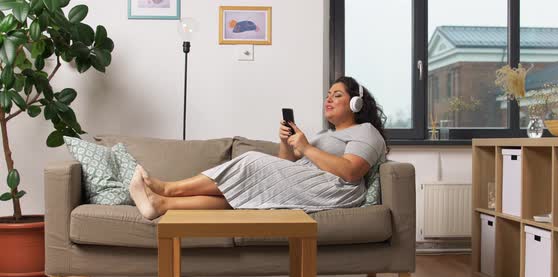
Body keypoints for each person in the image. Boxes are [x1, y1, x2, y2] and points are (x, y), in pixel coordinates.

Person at [129, 76, 388, 220]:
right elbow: (287, 166)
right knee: (241, 196)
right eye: (328, 94)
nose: (328, 99)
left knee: (252, 160)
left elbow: (352, 172)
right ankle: (161, 204)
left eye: (337, 95)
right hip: (308, 182)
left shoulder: (366, 132)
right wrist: (288, 144)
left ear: (356, 104)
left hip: (336, 191)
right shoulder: (325, 135)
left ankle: (169, 188)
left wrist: (307, 148)